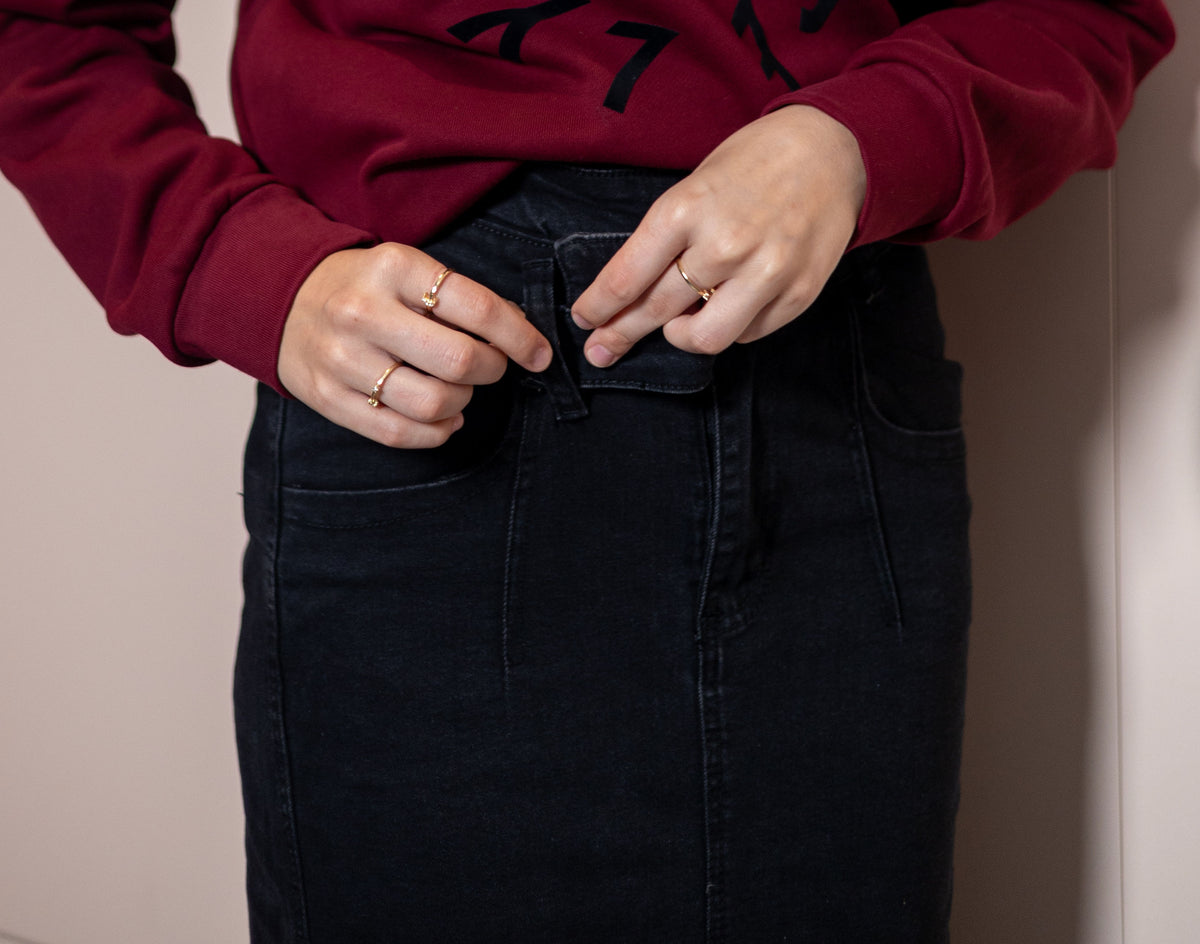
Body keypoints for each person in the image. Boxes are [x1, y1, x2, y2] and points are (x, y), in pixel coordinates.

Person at [0, 1, 1174, 941]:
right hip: (440, 394)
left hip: (827, 382)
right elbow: (41, 28)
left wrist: (863, 139)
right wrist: (235, 260)